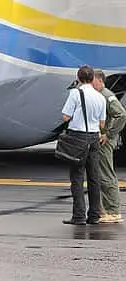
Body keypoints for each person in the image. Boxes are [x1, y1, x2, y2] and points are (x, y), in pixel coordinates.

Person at [61, 65, 107, 225]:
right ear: (92, 77)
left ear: (79, 78)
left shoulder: (76, 93)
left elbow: (66, 116)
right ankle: (94, 215)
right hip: (94, 137)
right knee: (94, 177)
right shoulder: (100, 96)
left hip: (78, 137)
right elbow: (102, 123)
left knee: (77, 177)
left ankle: (79, 215)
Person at [90, 69, 124, 224]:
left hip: (105, 141)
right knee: (100, 174)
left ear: (100, 80)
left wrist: (108, 134)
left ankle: (113, 211)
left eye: (92, 81)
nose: (90, 84)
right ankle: (107, 209)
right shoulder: (100, 95)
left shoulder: (106, 96)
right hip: (101, 139)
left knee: (106, 174)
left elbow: (121, 115)